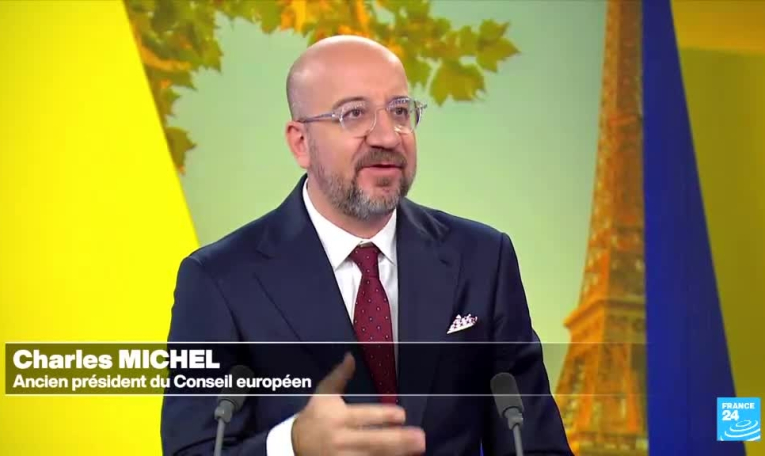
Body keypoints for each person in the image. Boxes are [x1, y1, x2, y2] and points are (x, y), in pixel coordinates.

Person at [161, 35, 572, 455]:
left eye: (400, 111)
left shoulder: (483, 258)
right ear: (300, 142)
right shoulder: (219, 281)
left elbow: (534, 442)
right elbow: (194, 449)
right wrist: (293, 445)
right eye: (354, 114)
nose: (388, 137)